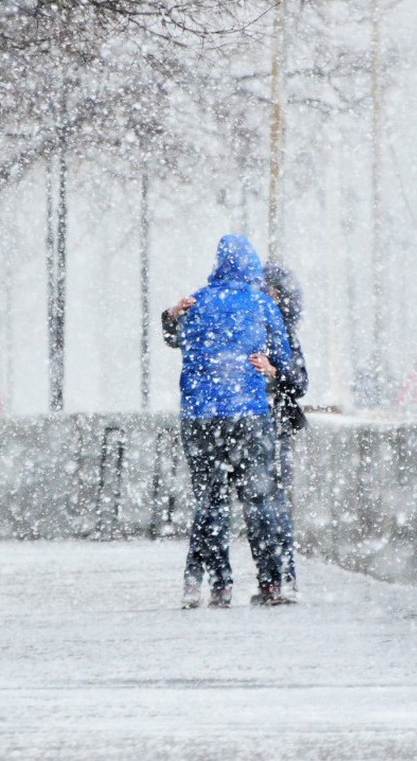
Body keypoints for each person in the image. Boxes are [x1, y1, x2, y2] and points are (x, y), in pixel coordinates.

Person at [161, 234, 293, 608]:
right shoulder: (263, 303)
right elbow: (283, 358)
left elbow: (174, 339)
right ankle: (271, 582)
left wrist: (172, 317)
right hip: (249, 413)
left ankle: (219, 584)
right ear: (251, 266)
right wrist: (268, 368)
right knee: (259, 499)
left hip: (200, 415)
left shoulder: (196, 301)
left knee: (210, 500)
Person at [253, 262, 308, 595]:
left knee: (266, 502)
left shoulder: (278, 331)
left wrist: (274, 373)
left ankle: (277, 578)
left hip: (266, 425)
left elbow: (298, 382)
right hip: (267, 425)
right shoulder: (278, 329)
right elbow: (300, 383)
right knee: (271, 501)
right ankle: (280, 577)